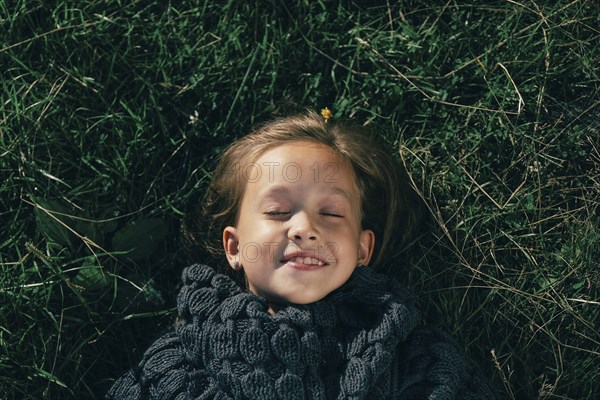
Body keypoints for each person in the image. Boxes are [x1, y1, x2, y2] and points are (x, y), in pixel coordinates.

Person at [107, 109, 498, 399]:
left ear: (362, 248)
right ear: (234, 246)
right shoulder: (176, 365)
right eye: (277, 212)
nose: (305, 228)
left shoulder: (416, 358)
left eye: (330, 214)